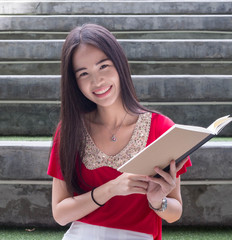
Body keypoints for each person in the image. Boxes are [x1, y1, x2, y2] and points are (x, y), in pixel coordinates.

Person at [47, 24, 192, 240]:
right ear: (74, 82)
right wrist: (111, 189)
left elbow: (174, 212)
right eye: (84, 73)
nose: (97, 81)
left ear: (119, 63)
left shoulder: (162, 128)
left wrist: (156, 201)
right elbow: (60, 214)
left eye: (103, 66)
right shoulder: (69, 130)